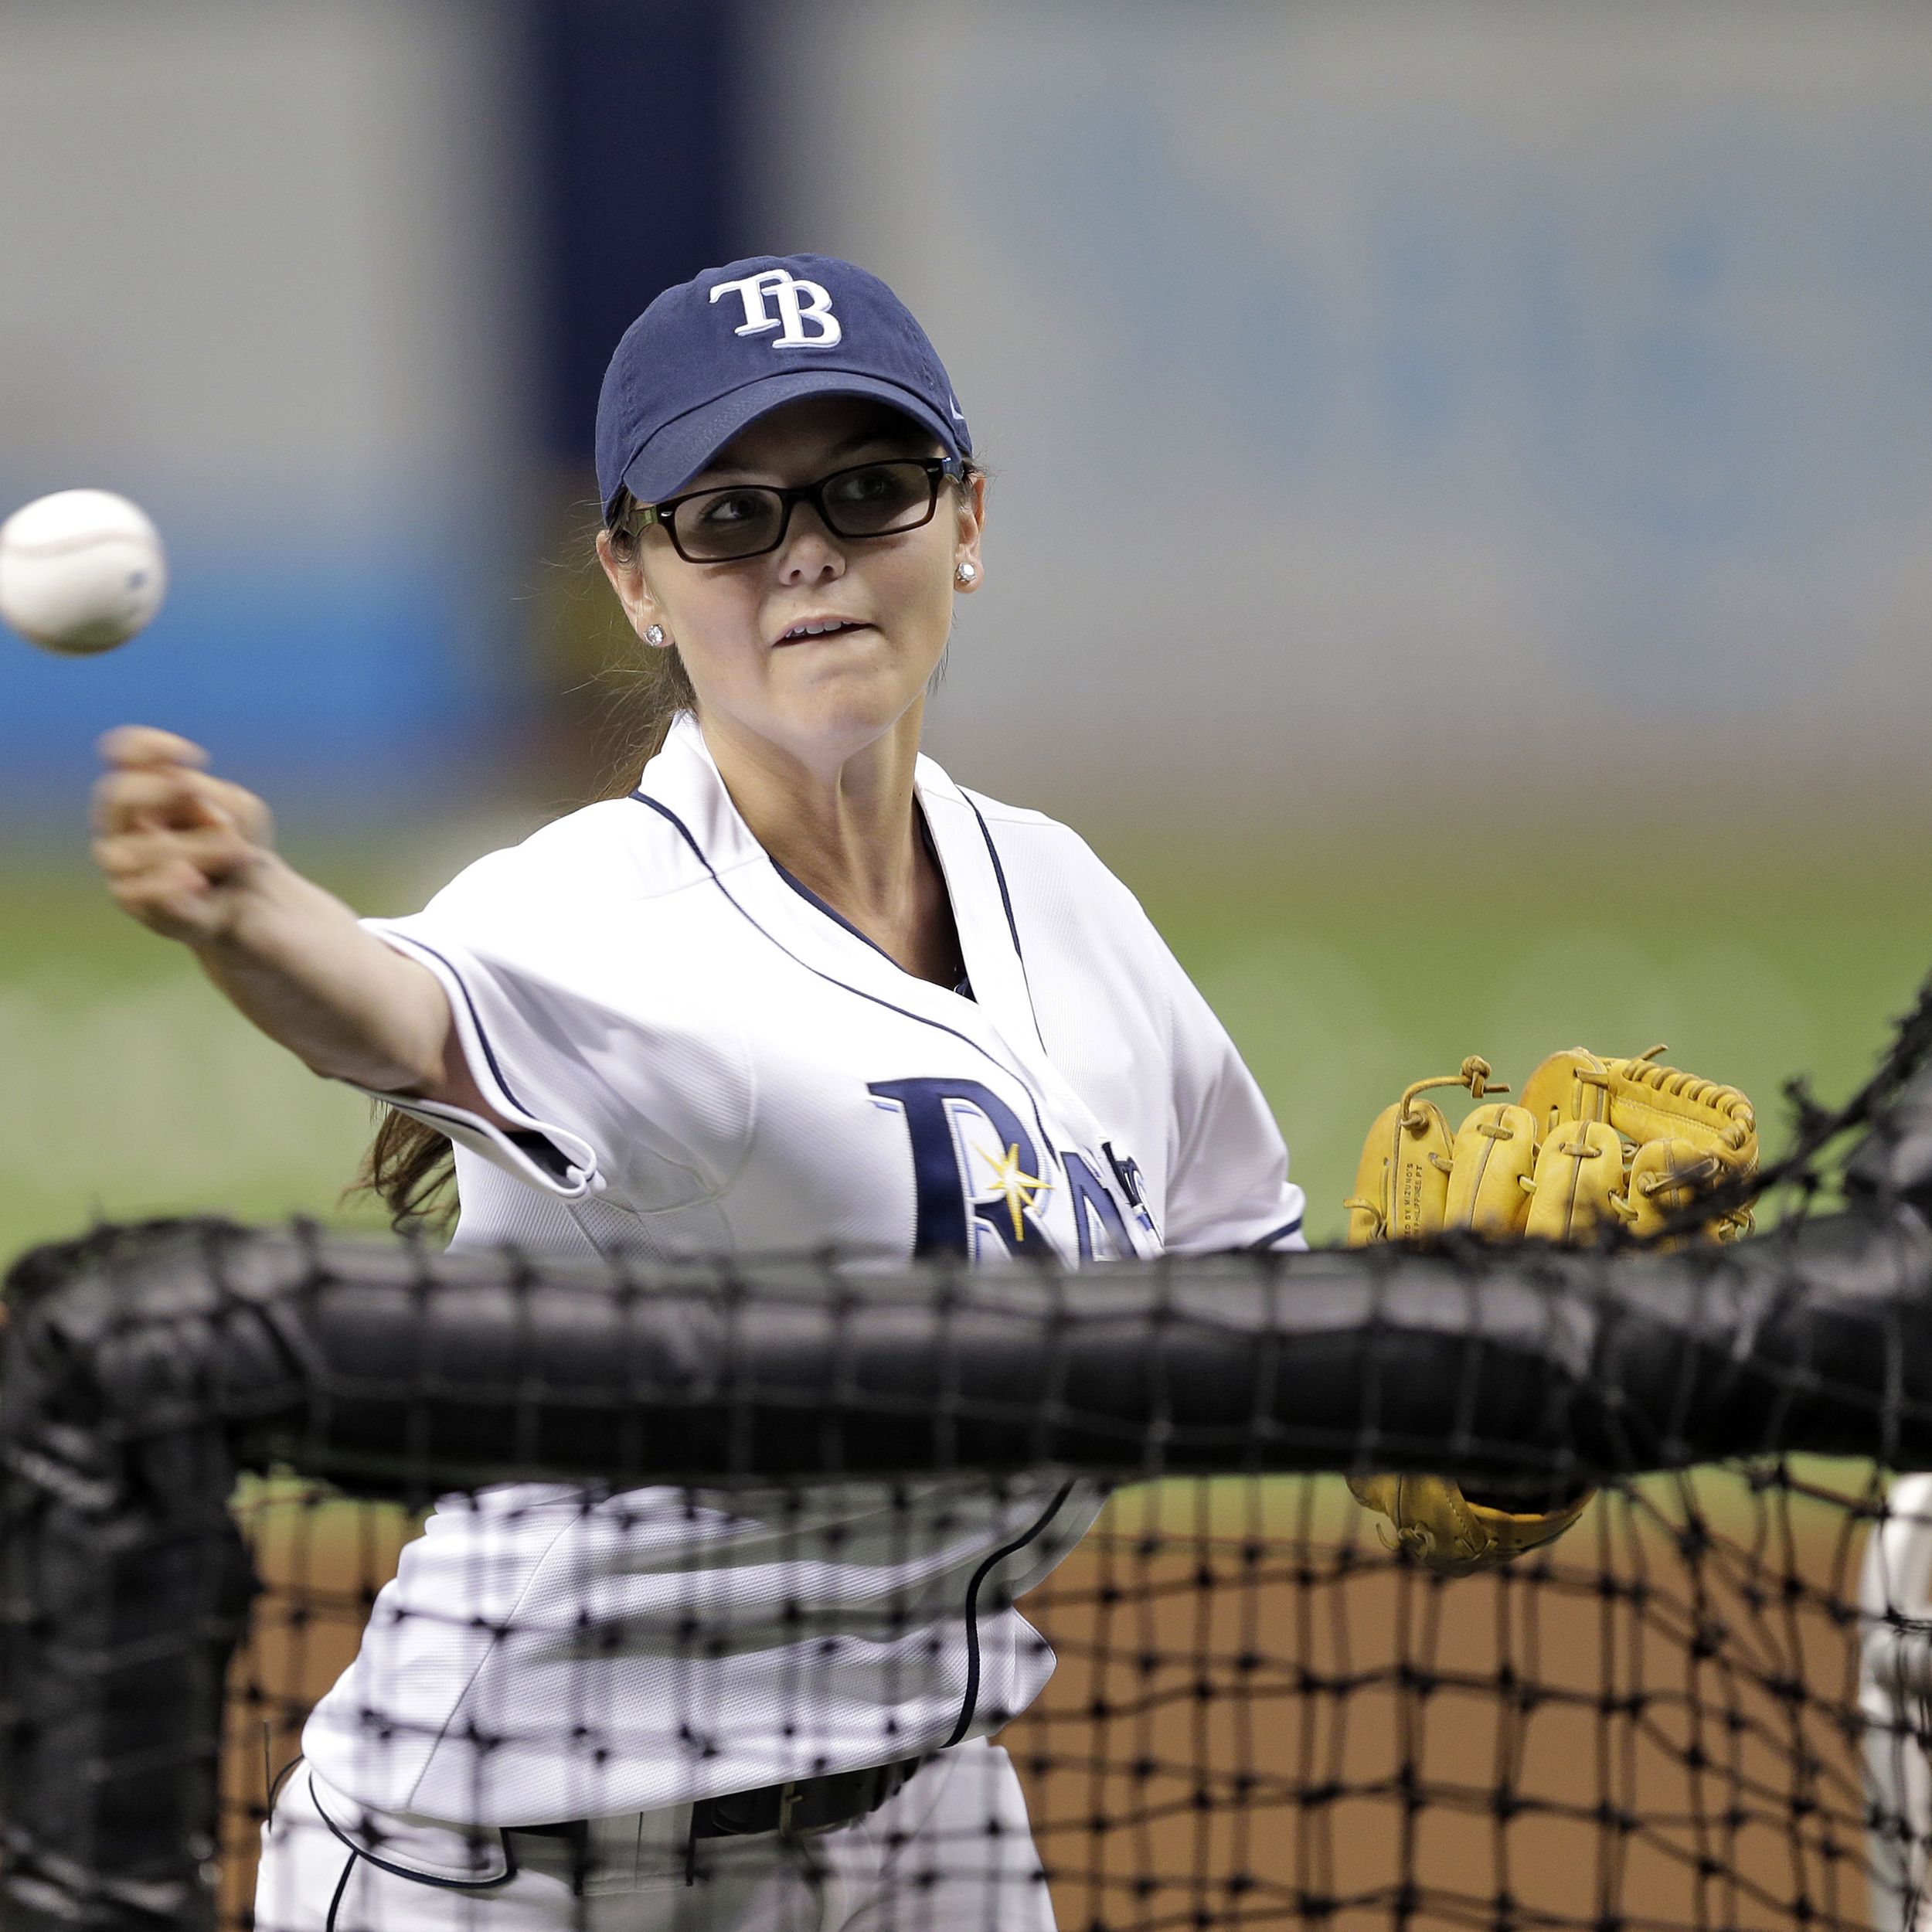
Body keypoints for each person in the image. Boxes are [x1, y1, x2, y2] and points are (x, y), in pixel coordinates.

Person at [92, 255, 1307, 1931]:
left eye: (867, 490)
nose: (807, 552)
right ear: (636, 581)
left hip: (925, 1832)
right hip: (517, 1867)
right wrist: (249, 907)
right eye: (727, 515)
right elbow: (397, 1008)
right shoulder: (610, 910)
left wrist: (1492, 1370)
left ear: (963, 520)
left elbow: (1261, 1273)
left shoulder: (1066, 901)